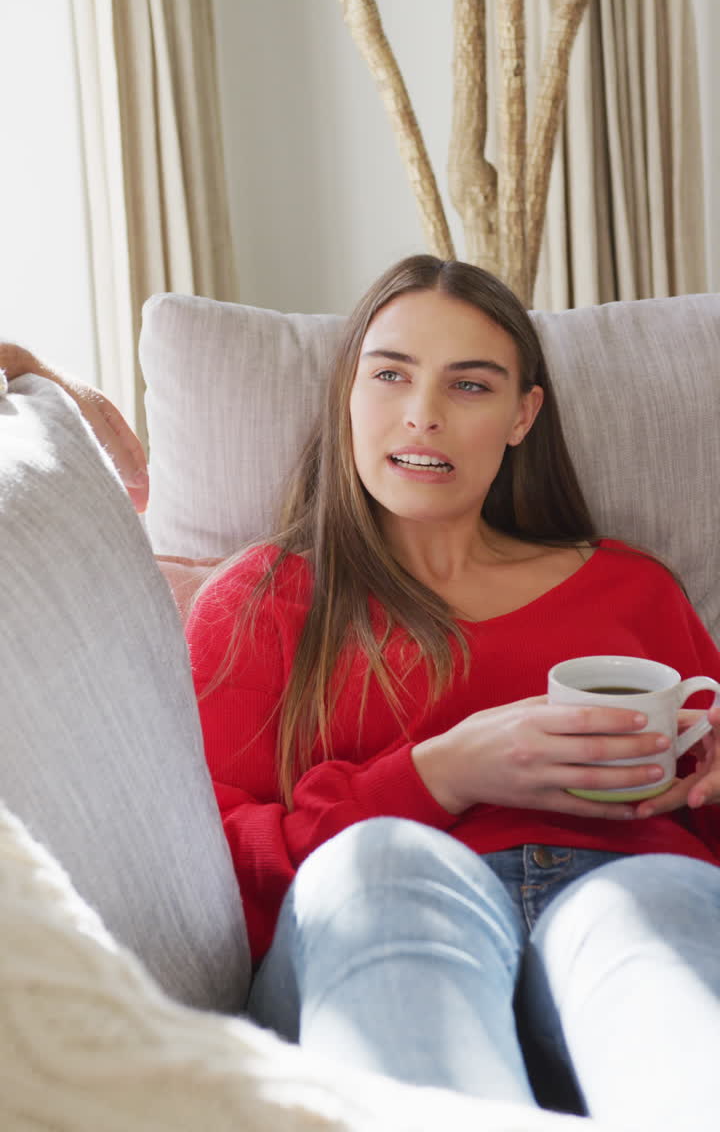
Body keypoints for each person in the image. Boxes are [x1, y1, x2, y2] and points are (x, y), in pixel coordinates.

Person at [5, 257, 720, 1129]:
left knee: (650, 902)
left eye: (470, 384)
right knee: (384, 864)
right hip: (381, 920)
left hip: (635, 885)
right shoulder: (263, 601)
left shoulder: (633, 589)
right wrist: (439, 776)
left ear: (522, 416)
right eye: (390, 374)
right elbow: (211, 868)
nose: (424, 412)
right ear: (348, 394)